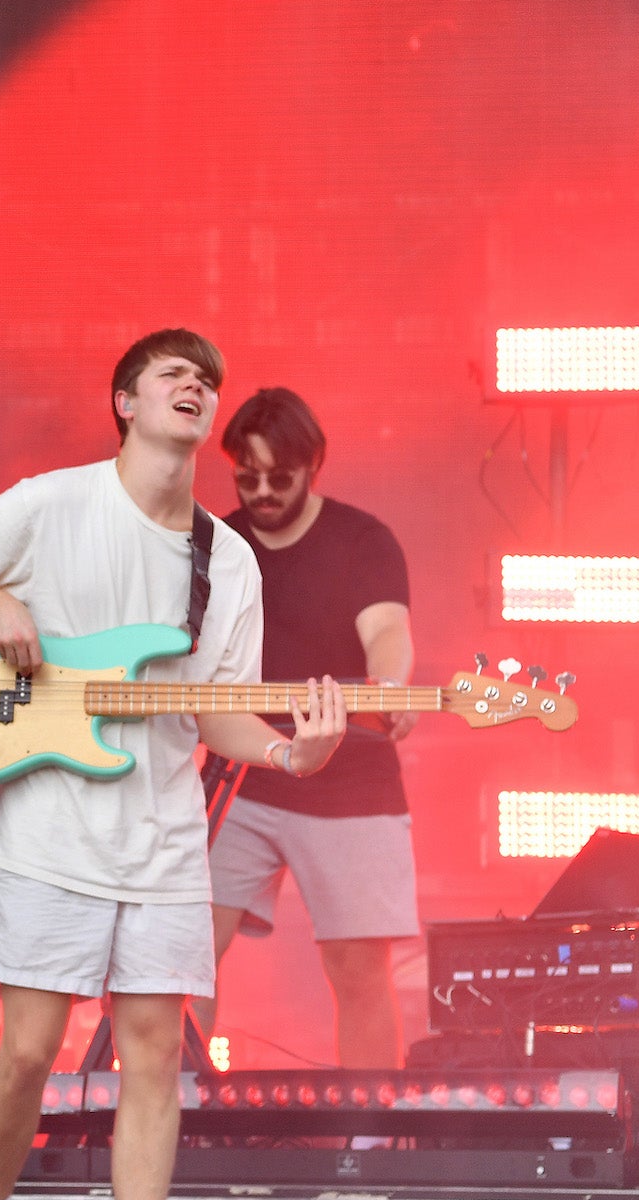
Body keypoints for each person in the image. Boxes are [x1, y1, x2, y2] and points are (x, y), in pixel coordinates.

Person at [0, 332, 347, 1200]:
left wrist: (291, 760)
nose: (195, 387)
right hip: (49, 832)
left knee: (154, 1057)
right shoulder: (49, 503)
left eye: (206, 380)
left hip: (162, 843)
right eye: (172, 375)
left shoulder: (223, 559)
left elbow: (221, 712)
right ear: (123, 401)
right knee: (24, 1055)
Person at [192, 387, 417, 1069]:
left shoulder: (363, 539)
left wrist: (390, 686)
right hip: (242, 772)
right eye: (245, 474)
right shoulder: (216, 546)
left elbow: (387, 629)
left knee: (357, 969)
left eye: (278, 476)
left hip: (353, 782)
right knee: (187, 953)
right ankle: (176, 1120)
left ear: (313, 465)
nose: (261, 490)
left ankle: (372, 1145)